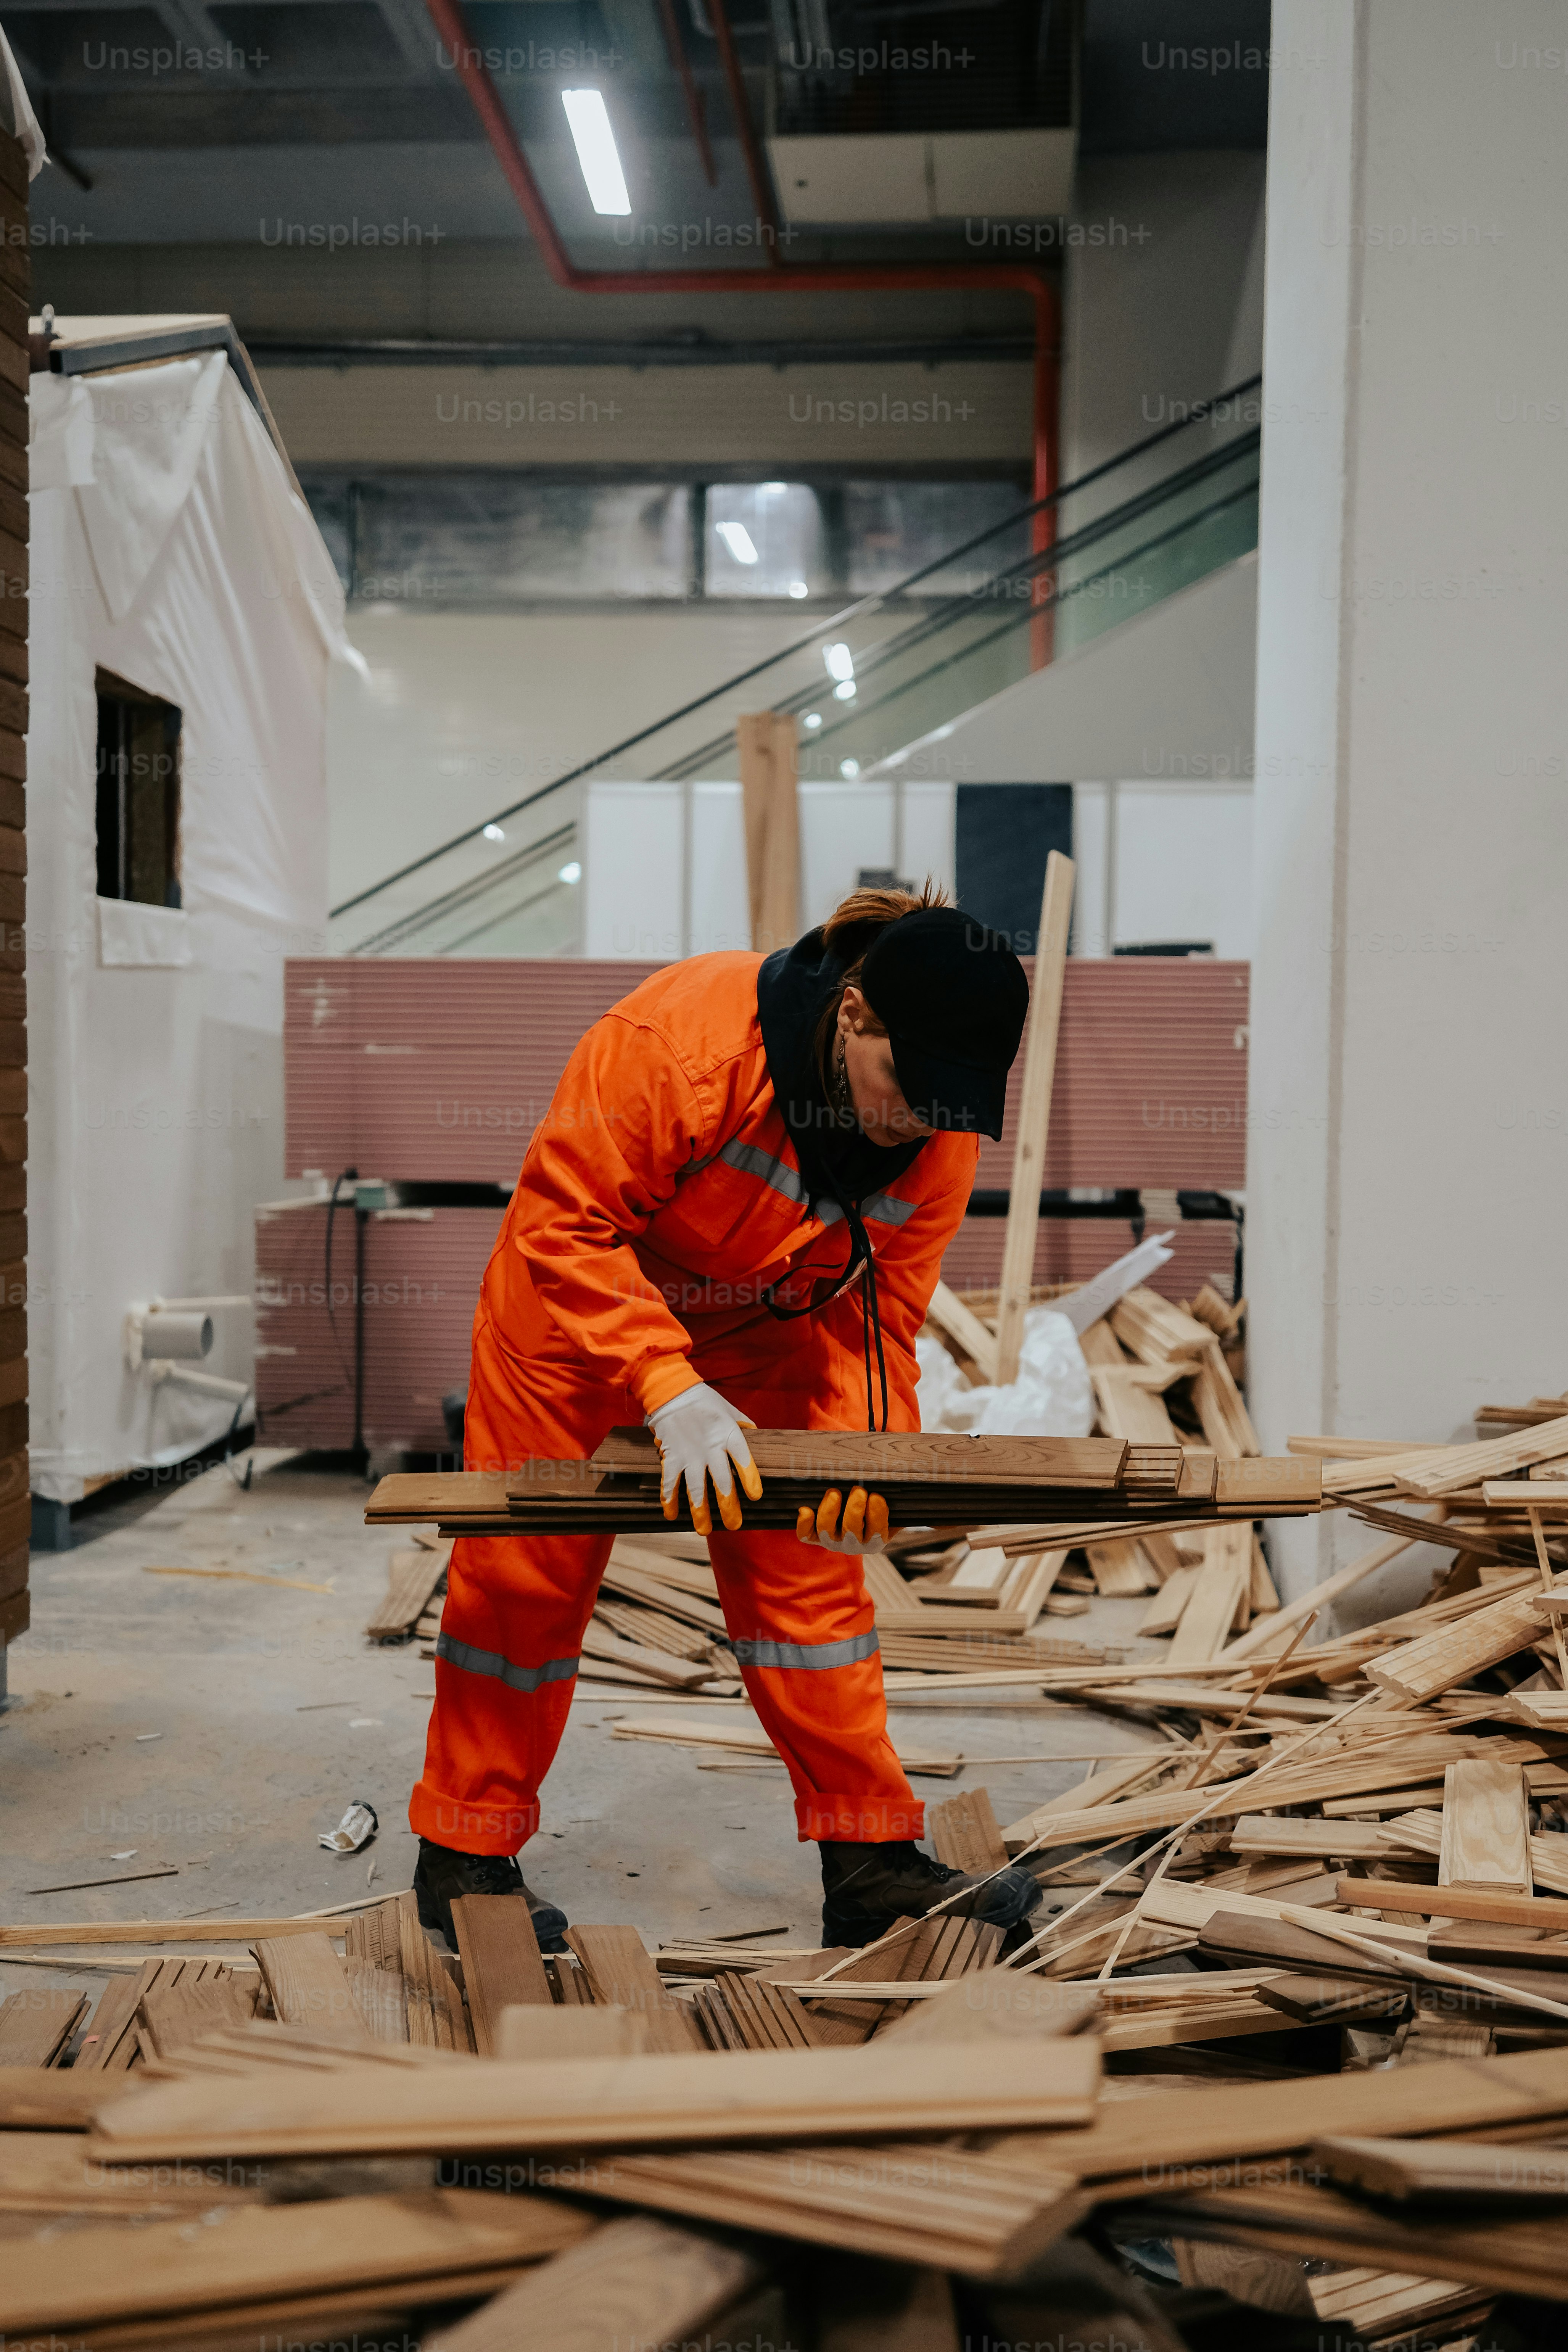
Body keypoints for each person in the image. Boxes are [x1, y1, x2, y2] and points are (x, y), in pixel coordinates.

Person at [410, 882, 1043, 1950]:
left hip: (759, 1333)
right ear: (852, 1018)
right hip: (574, 1319)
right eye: (907, 1083)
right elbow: (562, 1225)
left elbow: (883, 1315)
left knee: (814, 1585)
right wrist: (664, 1383)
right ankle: (466, 1852)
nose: (919, 1119)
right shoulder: (680, 1043)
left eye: (947, 1099)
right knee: (525, 1578)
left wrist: (870, 1455)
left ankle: (870, 1858)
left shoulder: (940, 1135)